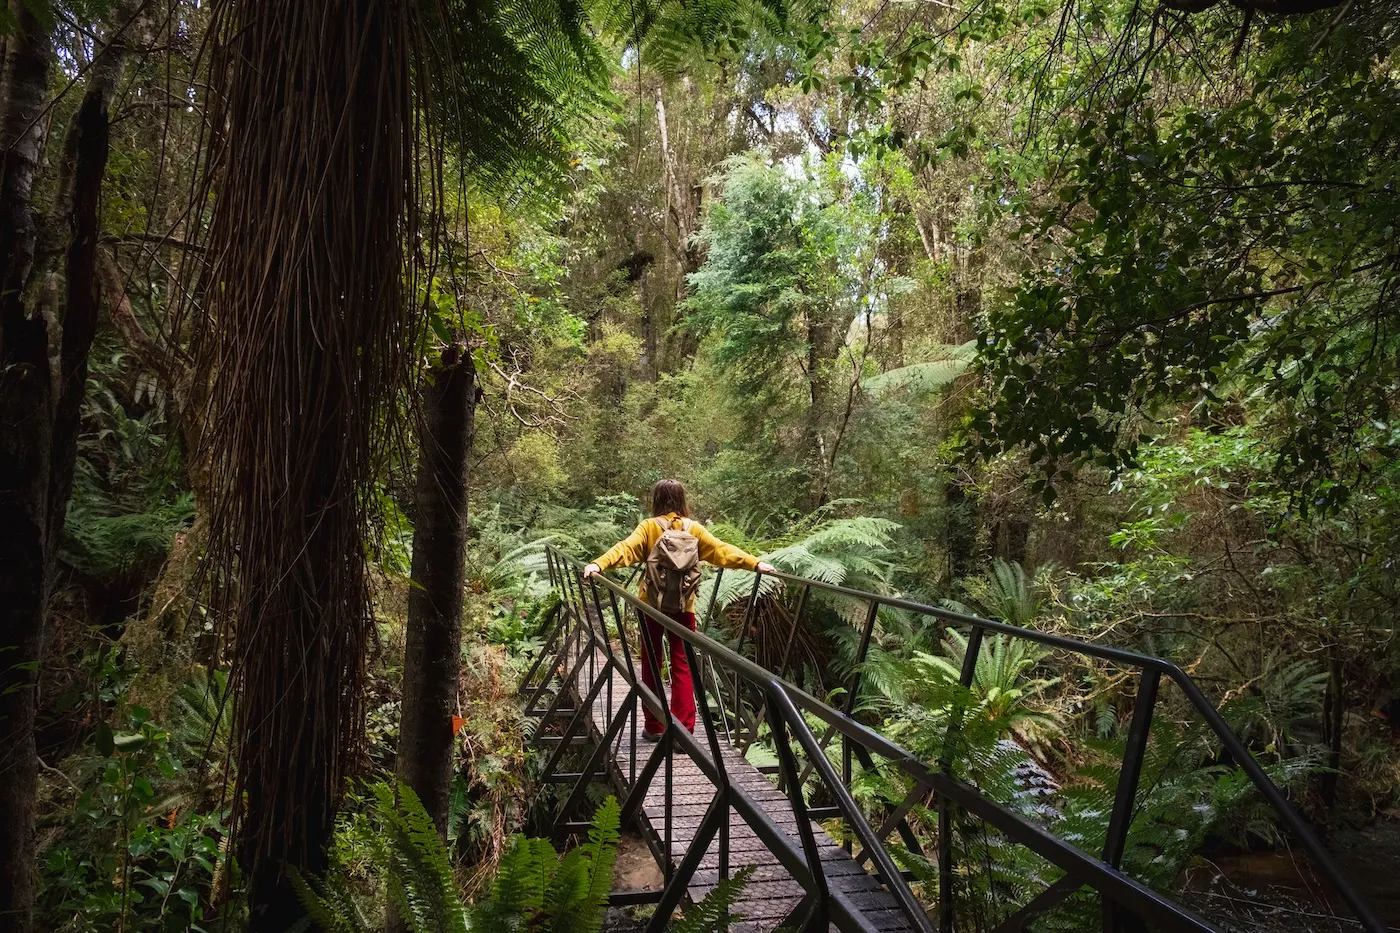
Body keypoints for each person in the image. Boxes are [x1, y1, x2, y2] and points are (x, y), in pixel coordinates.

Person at [584, 479, 774, 739]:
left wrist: (599, 564)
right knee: (682, 666)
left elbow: (626, 549)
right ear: (683, 500)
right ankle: (683, 732)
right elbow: (721, 551)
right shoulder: (694, 529)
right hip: (685, 607)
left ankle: (654, 726)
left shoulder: (649, 527)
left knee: (652, 665)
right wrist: (754, 563)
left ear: (656, 500)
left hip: (651, 606)